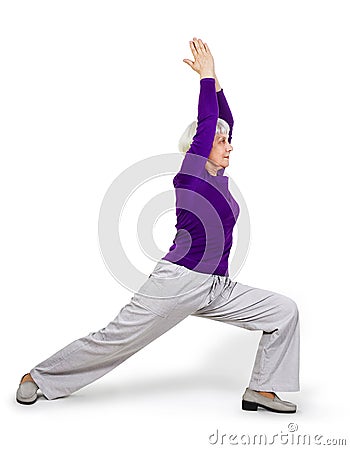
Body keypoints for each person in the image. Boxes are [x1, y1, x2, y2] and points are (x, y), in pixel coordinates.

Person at [16, 37, 300, 413]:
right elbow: (208, 127)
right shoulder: (192, 175)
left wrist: (218, 82)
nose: (229, 145)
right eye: (220, 141)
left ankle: (261, 390)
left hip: (216, 286)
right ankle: (38, 377)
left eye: (227, 141)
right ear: (198, 147)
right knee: (115, 339)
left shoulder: (220, 179)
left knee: (284, 311)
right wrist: (205, 77)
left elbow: (224, 120)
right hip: (177, 281)